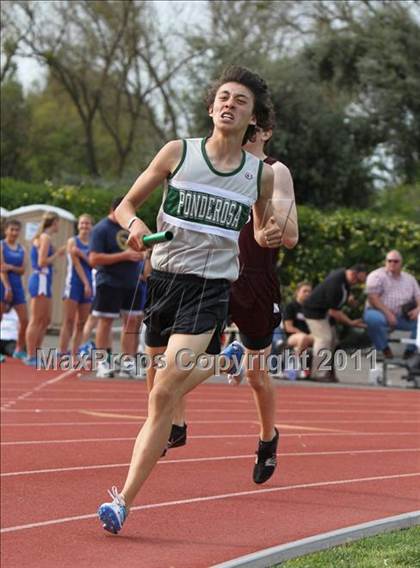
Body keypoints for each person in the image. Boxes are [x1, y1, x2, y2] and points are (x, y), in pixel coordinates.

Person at [97, 65, 286, 534]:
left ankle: (122, 501)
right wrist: (136, 227)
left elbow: (261, 230)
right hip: (161, 282)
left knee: (164, 390)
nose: (229, 104)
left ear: (253, 119)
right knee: (155, 393)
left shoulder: (258, 176)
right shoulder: (179, 153)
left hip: (210, 289)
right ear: (210, 107)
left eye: (240, 101)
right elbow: (123, 206)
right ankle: (230, 359)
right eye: (223, 97)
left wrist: (273, 231)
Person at [163, 122, 299, 483]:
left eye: (256, 126)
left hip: (255, 280)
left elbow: (291, 234)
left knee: (256, 375)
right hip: (211, 275)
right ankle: (175, 424)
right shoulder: (214, 163)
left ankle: (268, 438)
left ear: (267, 131)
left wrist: (274, 227)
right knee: (181, 354)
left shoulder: (274, 171)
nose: (248, 130)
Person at [88, 197, 148, 378]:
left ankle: (128, 363)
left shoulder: (131, 227)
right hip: (109, 281)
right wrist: (124, 256)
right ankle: (102, 362)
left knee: (131, 322)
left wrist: (143, 257)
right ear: (116, 210)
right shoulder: (101, 229)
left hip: (133, 282)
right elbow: (93, 259)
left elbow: (141, 251)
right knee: (105, 321)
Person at [303, 265, 368, 381]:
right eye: (358, 281)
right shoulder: (336, 284)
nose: (357, 284)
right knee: (324, 339)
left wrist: (349, 299)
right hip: (314, 312)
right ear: (353, 274)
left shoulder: (344, 277)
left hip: (324, 313)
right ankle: (318, 374)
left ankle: (328, 371)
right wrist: (351, 322)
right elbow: (334, 312)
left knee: (334, 341)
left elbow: (342, 295)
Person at [25, 212, 65, 366]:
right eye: (58, 222)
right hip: (40, 279)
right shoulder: (45, 237)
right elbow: (42, 261)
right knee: (36, 319)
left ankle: (36, 351)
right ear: (54, 222)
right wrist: (57, 254)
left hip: (44, 279)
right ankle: (30, 354)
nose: (58, 226)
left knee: (45, 319)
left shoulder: (42, 237)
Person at [364, 250, 419, 359]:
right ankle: (384, 349)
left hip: (402, 316)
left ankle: (411, 351)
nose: (392, 263)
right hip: (379, 312)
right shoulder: (376, 276)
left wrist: (418, 309)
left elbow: (418, 296)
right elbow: (372, 298)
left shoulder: (409, 279)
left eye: (395, 261)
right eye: (389, 261)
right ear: (385, 262)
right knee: (373, 319)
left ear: (401, 263)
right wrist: (388, 314)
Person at [58, 214, 94, 356]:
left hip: (88, 285)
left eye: (87, 223)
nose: (84, 226)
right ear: (78, 225)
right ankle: (62, 351)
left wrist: (82, 254)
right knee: (69, 320)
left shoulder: (93, 244)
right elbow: (76, 264)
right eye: (82, 223)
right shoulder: (72, 241)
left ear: (91, 226)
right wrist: (86, 284)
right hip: (74, 284)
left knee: (81, 322)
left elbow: (93, 263)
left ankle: (75, 352)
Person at [0, 219, 28, 359]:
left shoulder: (22, 248)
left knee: (25, 319)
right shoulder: (1, 246)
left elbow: (23, 270)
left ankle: (19, 348)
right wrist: (7, 287)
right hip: (3, 284)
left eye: (17, 230)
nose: (14, 233)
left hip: (17, 285)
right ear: (6, 230)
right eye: (12, 229)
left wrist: (11, 267)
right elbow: (1, 268)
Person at [283, 281, 313, 355]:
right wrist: (303, 334)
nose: (307, 294)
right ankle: (296, 363)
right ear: (297, 292)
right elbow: (289, 327)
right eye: (305, 291)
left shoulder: (312, 309)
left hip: (309, 336)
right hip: (293, 336)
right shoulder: (291, 307)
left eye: (309, 292)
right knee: (303, 338)